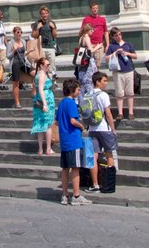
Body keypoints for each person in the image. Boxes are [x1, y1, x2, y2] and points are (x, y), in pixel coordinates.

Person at [57, 78, 92, 206]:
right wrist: (81, 126)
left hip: (64, 140)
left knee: (65, 168)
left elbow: (57, 120)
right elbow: (72, 120)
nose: (79, 91)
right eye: (78, 89)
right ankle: (76, 195)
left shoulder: (61, 103)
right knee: (75, 168)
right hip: (73, 139)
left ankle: (65, 195)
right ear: (72, 90)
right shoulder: (71, 103)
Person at [85, 71, 117, 191]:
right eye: (104, 81)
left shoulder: (87, 94)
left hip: (92, 128)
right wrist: (113, 128)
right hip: (104, 128)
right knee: (109, 153)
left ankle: (95, 184)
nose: (106, 83)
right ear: (97, 82)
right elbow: (108, 114)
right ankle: (109, 184)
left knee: (93, 156)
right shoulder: (103, 95)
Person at [105, 28, 138, 122]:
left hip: (128, 70)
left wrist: (126, 53)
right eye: (116, 35)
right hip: (117, 71)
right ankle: (120, 113)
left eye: (119, 34)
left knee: (130, 92)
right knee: (119, 92)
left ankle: (131, 112)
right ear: (113, 37)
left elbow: (135, 56)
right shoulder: (112, 46)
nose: (118, 37)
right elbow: (107, 59)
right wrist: (115, 53)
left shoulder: (128, 44)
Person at [29, 57, 55, 156]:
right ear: (41, 65)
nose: (48, 66)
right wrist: (45, 103)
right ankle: (48, 148)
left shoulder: (37, 74)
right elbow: (40, 88)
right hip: (45, 100)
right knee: (48, 125)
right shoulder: (42, 75)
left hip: (39, 100)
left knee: (40, 125)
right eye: (47, 65)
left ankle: (40, 149)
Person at [31, 6, 59, 77]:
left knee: (51, 65)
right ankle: (42, 80)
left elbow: (55, 35)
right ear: (40, 15)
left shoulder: (52, 22)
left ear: (48, 14)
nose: (45, 15)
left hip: (50, 47)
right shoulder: (37, 23)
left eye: (46, 13)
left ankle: (52, 81)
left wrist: (53, 28)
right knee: (41, 65)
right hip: (41, 47)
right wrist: (37, 29)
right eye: (43, 13)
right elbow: (34, 36)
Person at [74, 23, 99, 93]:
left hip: (82, 63)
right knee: (89, 82)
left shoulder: (81, 38)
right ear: (88, 30)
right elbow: (91, 51)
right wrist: (98, 47)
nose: (93, 32)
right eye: (92, 30)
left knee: (83, 83)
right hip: (88, 63)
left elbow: (85, 47)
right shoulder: (86, 37)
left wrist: (92, 46)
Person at [8, 26, 28, 108]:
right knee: (16, 82)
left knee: (34, 74)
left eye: (20, 32)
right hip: (15, 63)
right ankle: (17, 102)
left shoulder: (23, 41)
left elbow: (25, 53)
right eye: (17, 32)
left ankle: (35, 96)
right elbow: (8, 56)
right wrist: (14, 50)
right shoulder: (10, 43)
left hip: (23, 62)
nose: (19, 34)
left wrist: (29, 52)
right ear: (14, 33)